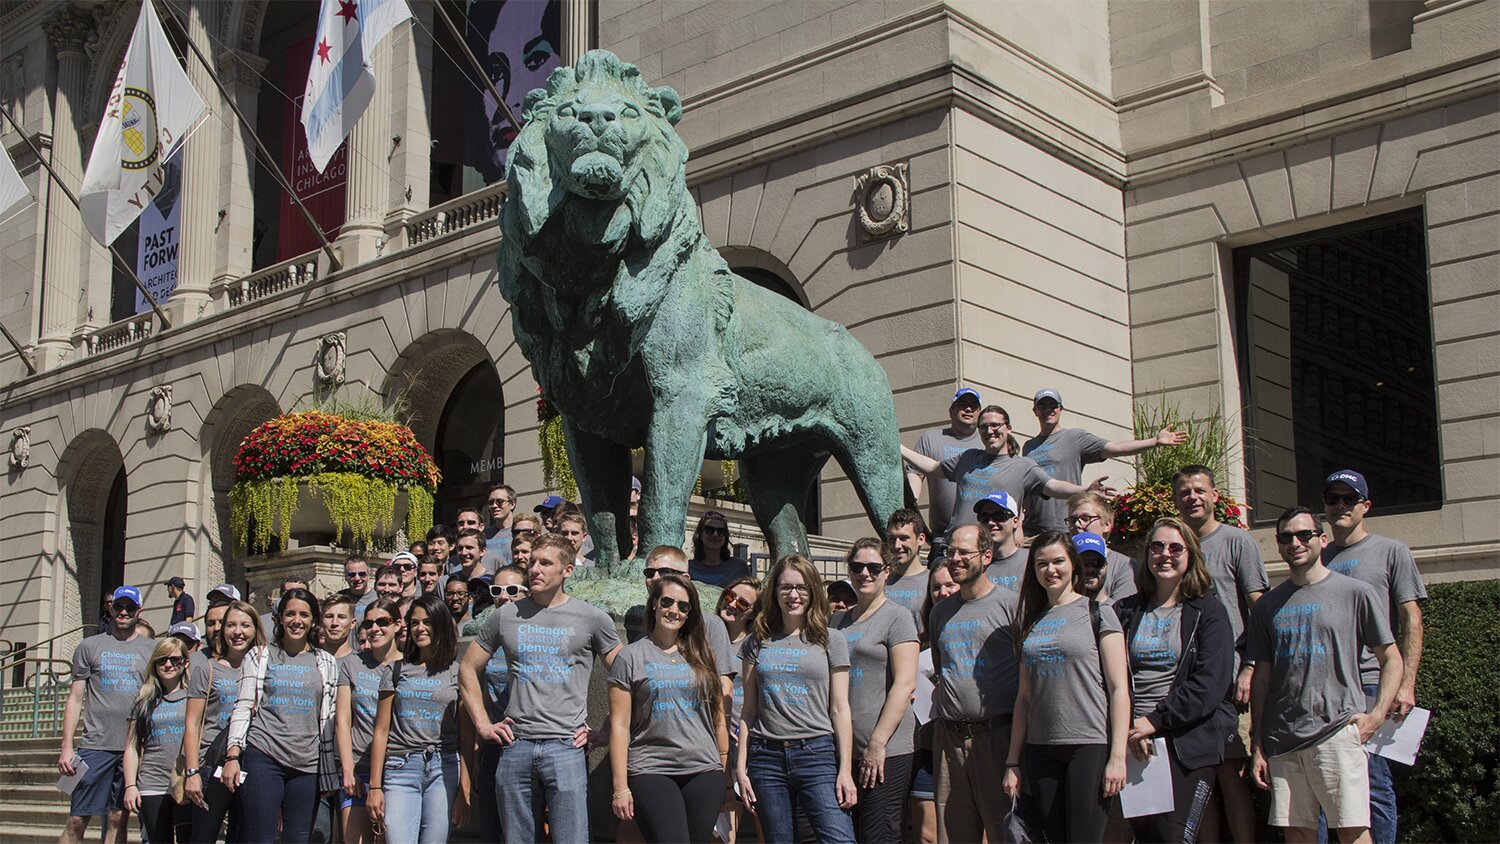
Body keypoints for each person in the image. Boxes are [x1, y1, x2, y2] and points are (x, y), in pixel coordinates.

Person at [1248, 506, 1403, 844]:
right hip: (1283, 739)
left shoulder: (1354, 593)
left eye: (1304, 535)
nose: (1296, 543)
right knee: (1299, 834)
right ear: (1278, 545)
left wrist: (1376, 715)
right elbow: (1262, 677)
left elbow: (1391, 658)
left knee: (1353, 831)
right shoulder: (1267, 606)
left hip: (1337, 732)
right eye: (1286, 537)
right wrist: (1258, 742)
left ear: (1321, 539)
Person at [458, 533, 622, 842]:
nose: (535, 569)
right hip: (516, 745)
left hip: (566, 746)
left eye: (545, 563)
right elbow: (467, 667)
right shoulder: (504, 616)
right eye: (532, 562)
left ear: (567, 570)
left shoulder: (592, 618)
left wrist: (606, 730)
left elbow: (626, 676)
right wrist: (483, 724)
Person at [1113, 518, 1237, 843]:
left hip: (1187, 745)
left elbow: (1210, 683)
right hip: (1134, 743)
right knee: (1147, 836)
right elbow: (1107, 676)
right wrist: (1130, 726)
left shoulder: (1208, 612)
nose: (1165, 554)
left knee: (1174, 836)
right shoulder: (1124, 611)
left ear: (1190, 556)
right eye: (1157, 546)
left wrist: (1154, 720)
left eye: (1175, 547)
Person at [1003, 531, 1131, 844]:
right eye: (1042, 564)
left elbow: (1118, 689)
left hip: (1089, 745)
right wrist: (1012, 762)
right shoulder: (1031, 621)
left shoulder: (1099, 614)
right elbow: (1023, 698)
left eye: (1058, 561)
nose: (1051, 570)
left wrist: (1117, 757)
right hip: (1040, 748)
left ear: (1073, 565)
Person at [1319, 469, 1426, 844]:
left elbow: (1411, 618)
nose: (1341, 506)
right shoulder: (1318, 555)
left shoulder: (1390, 551)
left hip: (1370, 682)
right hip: (1326, 689)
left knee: (1374, 785)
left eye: (1350, 499)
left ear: (1366, 506)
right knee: (1323, 787)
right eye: (1333, 499)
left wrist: (1406, 683)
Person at [1172, 464, 1267, 843]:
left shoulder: (1236, 542)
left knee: (1231, 776)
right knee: (1201, 779)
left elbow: (1259, 610)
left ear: (1214, 496)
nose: (1192, 497)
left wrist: (1251, 666)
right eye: (1184, 492)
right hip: (1188, 686)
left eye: (1199, 490)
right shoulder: (1172, 546)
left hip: (1230, 685)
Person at [735, 555, 857, 844]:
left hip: (817, 753)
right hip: (767, 757)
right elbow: (748, 710)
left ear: (812, 591)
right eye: (785, 587)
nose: (793, 595)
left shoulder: (831, 639)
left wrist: (845, 770)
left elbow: (840, 708)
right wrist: (741, 768)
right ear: (774, 591)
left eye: (801, 587)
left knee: (839, 839)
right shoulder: (757, 641)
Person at [609, 574, 731, 843]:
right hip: (652, 768)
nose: (674, 610)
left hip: (704, 771)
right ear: (654, 604)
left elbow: (718, 718)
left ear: (690, 613)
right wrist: (620, 788)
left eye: (683, 606)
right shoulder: (630, 656)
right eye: (667, 601)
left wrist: (726, 776)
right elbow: (619, 725)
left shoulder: (702, 654)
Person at [222, 588, 340, 844]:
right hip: (264, 756)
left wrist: (329, 771)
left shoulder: (327, 662)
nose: (297, 621)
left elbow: (328, 720)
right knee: (261, 837)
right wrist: (233, 754)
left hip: (307, 765)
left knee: (298, 839)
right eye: (290, 614)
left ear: (313, 620)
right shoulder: (260, 655)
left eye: (304, 615)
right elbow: (243, 706)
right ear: (279, 618)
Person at [927, 524, 1019, 843]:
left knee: (1004, 833)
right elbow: (942, 670)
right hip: (949, 741)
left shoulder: (1012, 606)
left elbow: (1028, 677)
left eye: (964, 552)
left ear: (987, 556)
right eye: (950, 552)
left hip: (997, 738)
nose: (955, 558)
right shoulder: (940, 613)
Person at [904, 405, 1112, 533]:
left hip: (993, 550)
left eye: (995, 425)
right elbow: (933, 467)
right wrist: (898, 447)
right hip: (956, 546)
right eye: (984, 427)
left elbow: (1054, 486)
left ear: (1008, 428)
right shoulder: (968, 458)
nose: (989, 431)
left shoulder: (1023, 466)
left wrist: (1085, 490)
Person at [832, 539, 920, 843]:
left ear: (887, 571)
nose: (864, 574)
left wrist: (877, 744)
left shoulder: (898, 617)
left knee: (879, 833)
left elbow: (905, 683)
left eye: (873, 567)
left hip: (886, 750)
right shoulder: (837, 622)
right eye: (857, 567)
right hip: (844, 751)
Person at [368, 595, 473, 842]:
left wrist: (464, 789)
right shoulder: (394, 670)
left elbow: (467, 735)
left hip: (443, 767)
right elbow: (381, 731)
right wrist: (375, 787)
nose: (420, 628)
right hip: (400, 769)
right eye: (414, 623)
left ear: (441, 624)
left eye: (427, 622)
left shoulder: (457, 672)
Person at [58, 585, 156, 844]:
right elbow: (75, 698)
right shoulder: (90, 645)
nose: (124, 612)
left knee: (117, 818)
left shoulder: (151, 649)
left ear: (139, 611)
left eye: (130, 607)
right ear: (110, 609)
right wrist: (66, 747)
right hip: (94, 746)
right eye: (119, 607)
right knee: (77, 818)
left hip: (131, 747)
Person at [1022, 388, 1186, 535]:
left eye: (1053, 405)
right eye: (1042, 406)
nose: (1048, 410)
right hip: (1032, 530)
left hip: (1066, 527)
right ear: (1035, 411)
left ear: (1060, 409)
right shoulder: (1028, 447)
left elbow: (1115, 448)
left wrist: (1154, 441)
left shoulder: (1074, 438)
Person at [184, 599, 263, 843]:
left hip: (252, 764)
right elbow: (192, 723)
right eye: (231, 625)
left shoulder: (265, 668)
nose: (237, 632)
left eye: (245, 625)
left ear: (255, 630)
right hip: (212, 763)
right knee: (203, 837)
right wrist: (192, 772)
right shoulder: (207, 669)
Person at [468, 564, 530, 835]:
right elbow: (469, 678)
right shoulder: (485, 637)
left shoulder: (536, 632)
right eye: (497, 591)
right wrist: (482, 731)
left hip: (531, 741)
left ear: (527, 594)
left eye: (513, 590)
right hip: (496, 744)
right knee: (492, 829)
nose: (504, 597)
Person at [335, 597, 401, 844]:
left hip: (395, 769)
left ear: (397, 624)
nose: (375, 629)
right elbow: (343, 720)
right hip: (357, 769)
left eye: (382, 622)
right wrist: (348, 768)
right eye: (369, 623)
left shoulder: (407, 665)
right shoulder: (352, 664)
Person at [122, 637, 193, 843]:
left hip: (184, 783)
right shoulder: (143, 702)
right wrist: (130, 785)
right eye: (161, 660)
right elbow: (132, 747)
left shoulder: (195, 697)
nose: (168, 664)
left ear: (185, 662)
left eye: (175, 659)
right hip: (152, 784)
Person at [910, 565, 960, 844]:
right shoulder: (919, 641)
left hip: (967, 745)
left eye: (950, 585)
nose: (943, 592)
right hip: (927, 747)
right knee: (927, 836)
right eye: (936, 587)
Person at [907, 388, 983, 559]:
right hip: (943, 537)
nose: (968, 409)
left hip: (982, 535)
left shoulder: (987, 441)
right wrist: (912, 504)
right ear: (951, 411)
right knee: (940, 584)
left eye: (973, 406)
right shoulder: (931, 438)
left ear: (979, 412)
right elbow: (915, 473)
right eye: (962, 405)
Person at [715, 575, 762, 844]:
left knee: (763, 822)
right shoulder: (704, 636)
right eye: (730, 595)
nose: (732, 604)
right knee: (723, 834)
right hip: (716, 746)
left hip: (751, 743)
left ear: (752, 612)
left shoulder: (758, 643)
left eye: (742, 603)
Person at [1068, 492, 1138, 602]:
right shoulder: (1062, 562)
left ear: (1107, 524)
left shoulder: (1124, 565)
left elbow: (1122, 614)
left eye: (1085, 518)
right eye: (1072, 520)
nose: (1077, 524)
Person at [883, 509, 930, 627]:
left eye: (904, 538)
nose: (897, 546)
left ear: (920, 539)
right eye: (892, 539)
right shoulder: (880, 581)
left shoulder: (934, 581)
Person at [974, 491, 1027, 592]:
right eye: (984, 517)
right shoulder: (975, 564)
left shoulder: (1032, 560)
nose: (991, 522)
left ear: (1015, 522)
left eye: (999, 516)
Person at [688, 511, 749, 588]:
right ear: (700, 534)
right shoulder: (689, 568)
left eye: (720, 532)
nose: (715, 535)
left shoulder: (739, 567)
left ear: (725, 536)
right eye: (709, 530)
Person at [1072, 532, 1135, 604]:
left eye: (1098, 563)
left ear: (1106, 565)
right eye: (1083, 563)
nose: (1090, 569)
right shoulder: (1059, 606)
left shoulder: (1114, 612)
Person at [484, 484, 518, 569]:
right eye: (491, 502)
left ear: (512, 504)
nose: (494, 506)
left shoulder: (520, 531)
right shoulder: (483, 535)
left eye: (499, 501)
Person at [322, 594, 357, 658]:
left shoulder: (360, 663)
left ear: (352, 623)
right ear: (321, 621)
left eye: (341, 617)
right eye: (329, 616)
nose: (334, 623)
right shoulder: (310, 659)